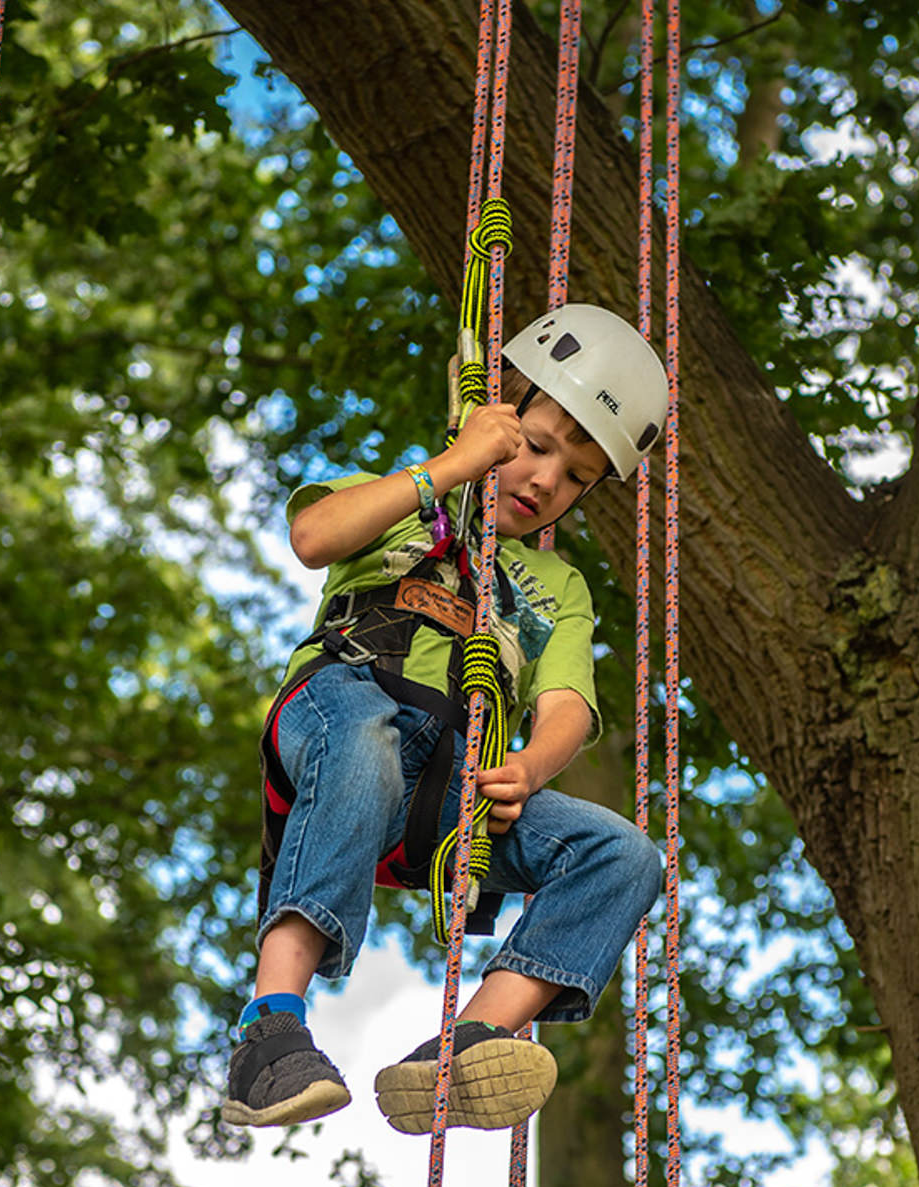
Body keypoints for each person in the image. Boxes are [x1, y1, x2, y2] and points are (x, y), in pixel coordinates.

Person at [223, 303, 667, 1136]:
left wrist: (531, 767)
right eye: (535, 447)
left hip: (448, 786)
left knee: (623, 855)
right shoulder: (411, 499)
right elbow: (315, 534)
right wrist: (452, 467)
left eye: (572, 476)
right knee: (366, 742)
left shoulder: (556, 588)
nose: (543, 482)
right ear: (496, 414)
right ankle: (267, 1030)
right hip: (343, 703)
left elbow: (568, 703)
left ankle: (466, 1045)